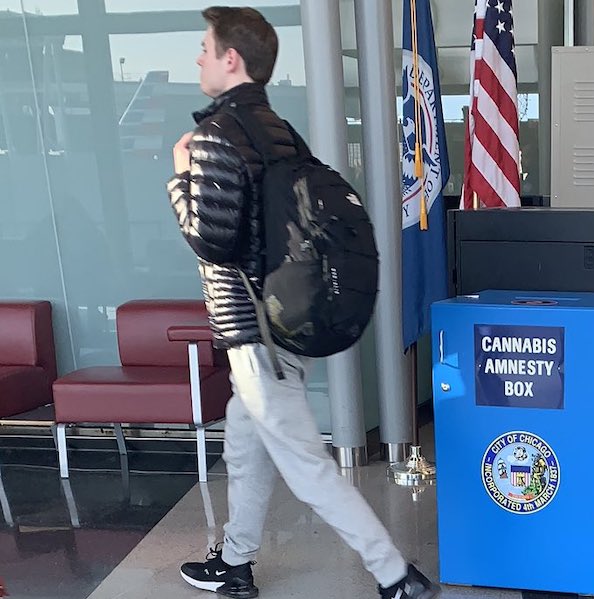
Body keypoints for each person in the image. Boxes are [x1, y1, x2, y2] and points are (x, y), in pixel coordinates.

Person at [167, 7, 438, 599]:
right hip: (285, 316)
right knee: (245, 445)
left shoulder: (216, 136)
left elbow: (210, 238)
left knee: (307, 468)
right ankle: (235, 563)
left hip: (255, 333)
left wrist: (180, 176)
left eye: (205, 48)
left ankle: (396, 576)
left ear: (231, 59)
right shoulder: (280, 131)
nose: (198, 58)